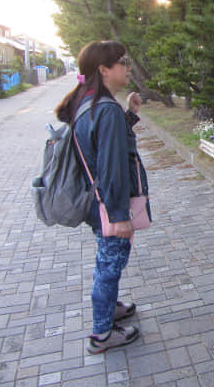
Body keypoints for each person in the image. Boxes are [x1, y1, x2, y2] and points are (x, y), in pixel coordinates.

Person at [55, 40, 149, 354]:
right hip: (109, 205)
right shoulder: (104, 108)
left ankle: (110, 309)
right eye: (122, 61)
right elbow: (111, 167)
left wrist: (131, 115)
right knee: (109, 266)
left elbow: (105, 143)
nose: (128, 66)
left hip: (97, 201)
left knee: (107, 261)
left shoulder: (91, 101)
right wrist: (120, 216)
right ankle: (102, 334)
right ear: (103, 70)